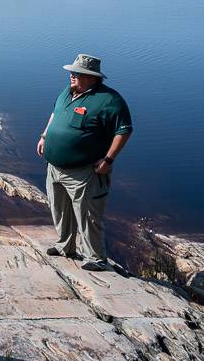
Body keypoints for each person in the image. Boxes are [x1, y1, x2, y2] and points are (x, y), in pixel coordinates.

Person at [36, 54, 132, 271]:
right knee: (59, 209)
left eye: (77, 73)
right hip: (54, 167)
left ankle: (95, 257)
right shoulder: (66, 93)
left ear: (92, 77)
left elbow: (124, 130)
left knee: (88, 215)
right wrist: (44, 136)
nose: (72, 76)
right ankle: (64, 246)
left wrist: (108, 159)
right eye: (72, 72)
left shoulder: (109, 100)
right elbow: (55, 114)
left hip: (85, 172)